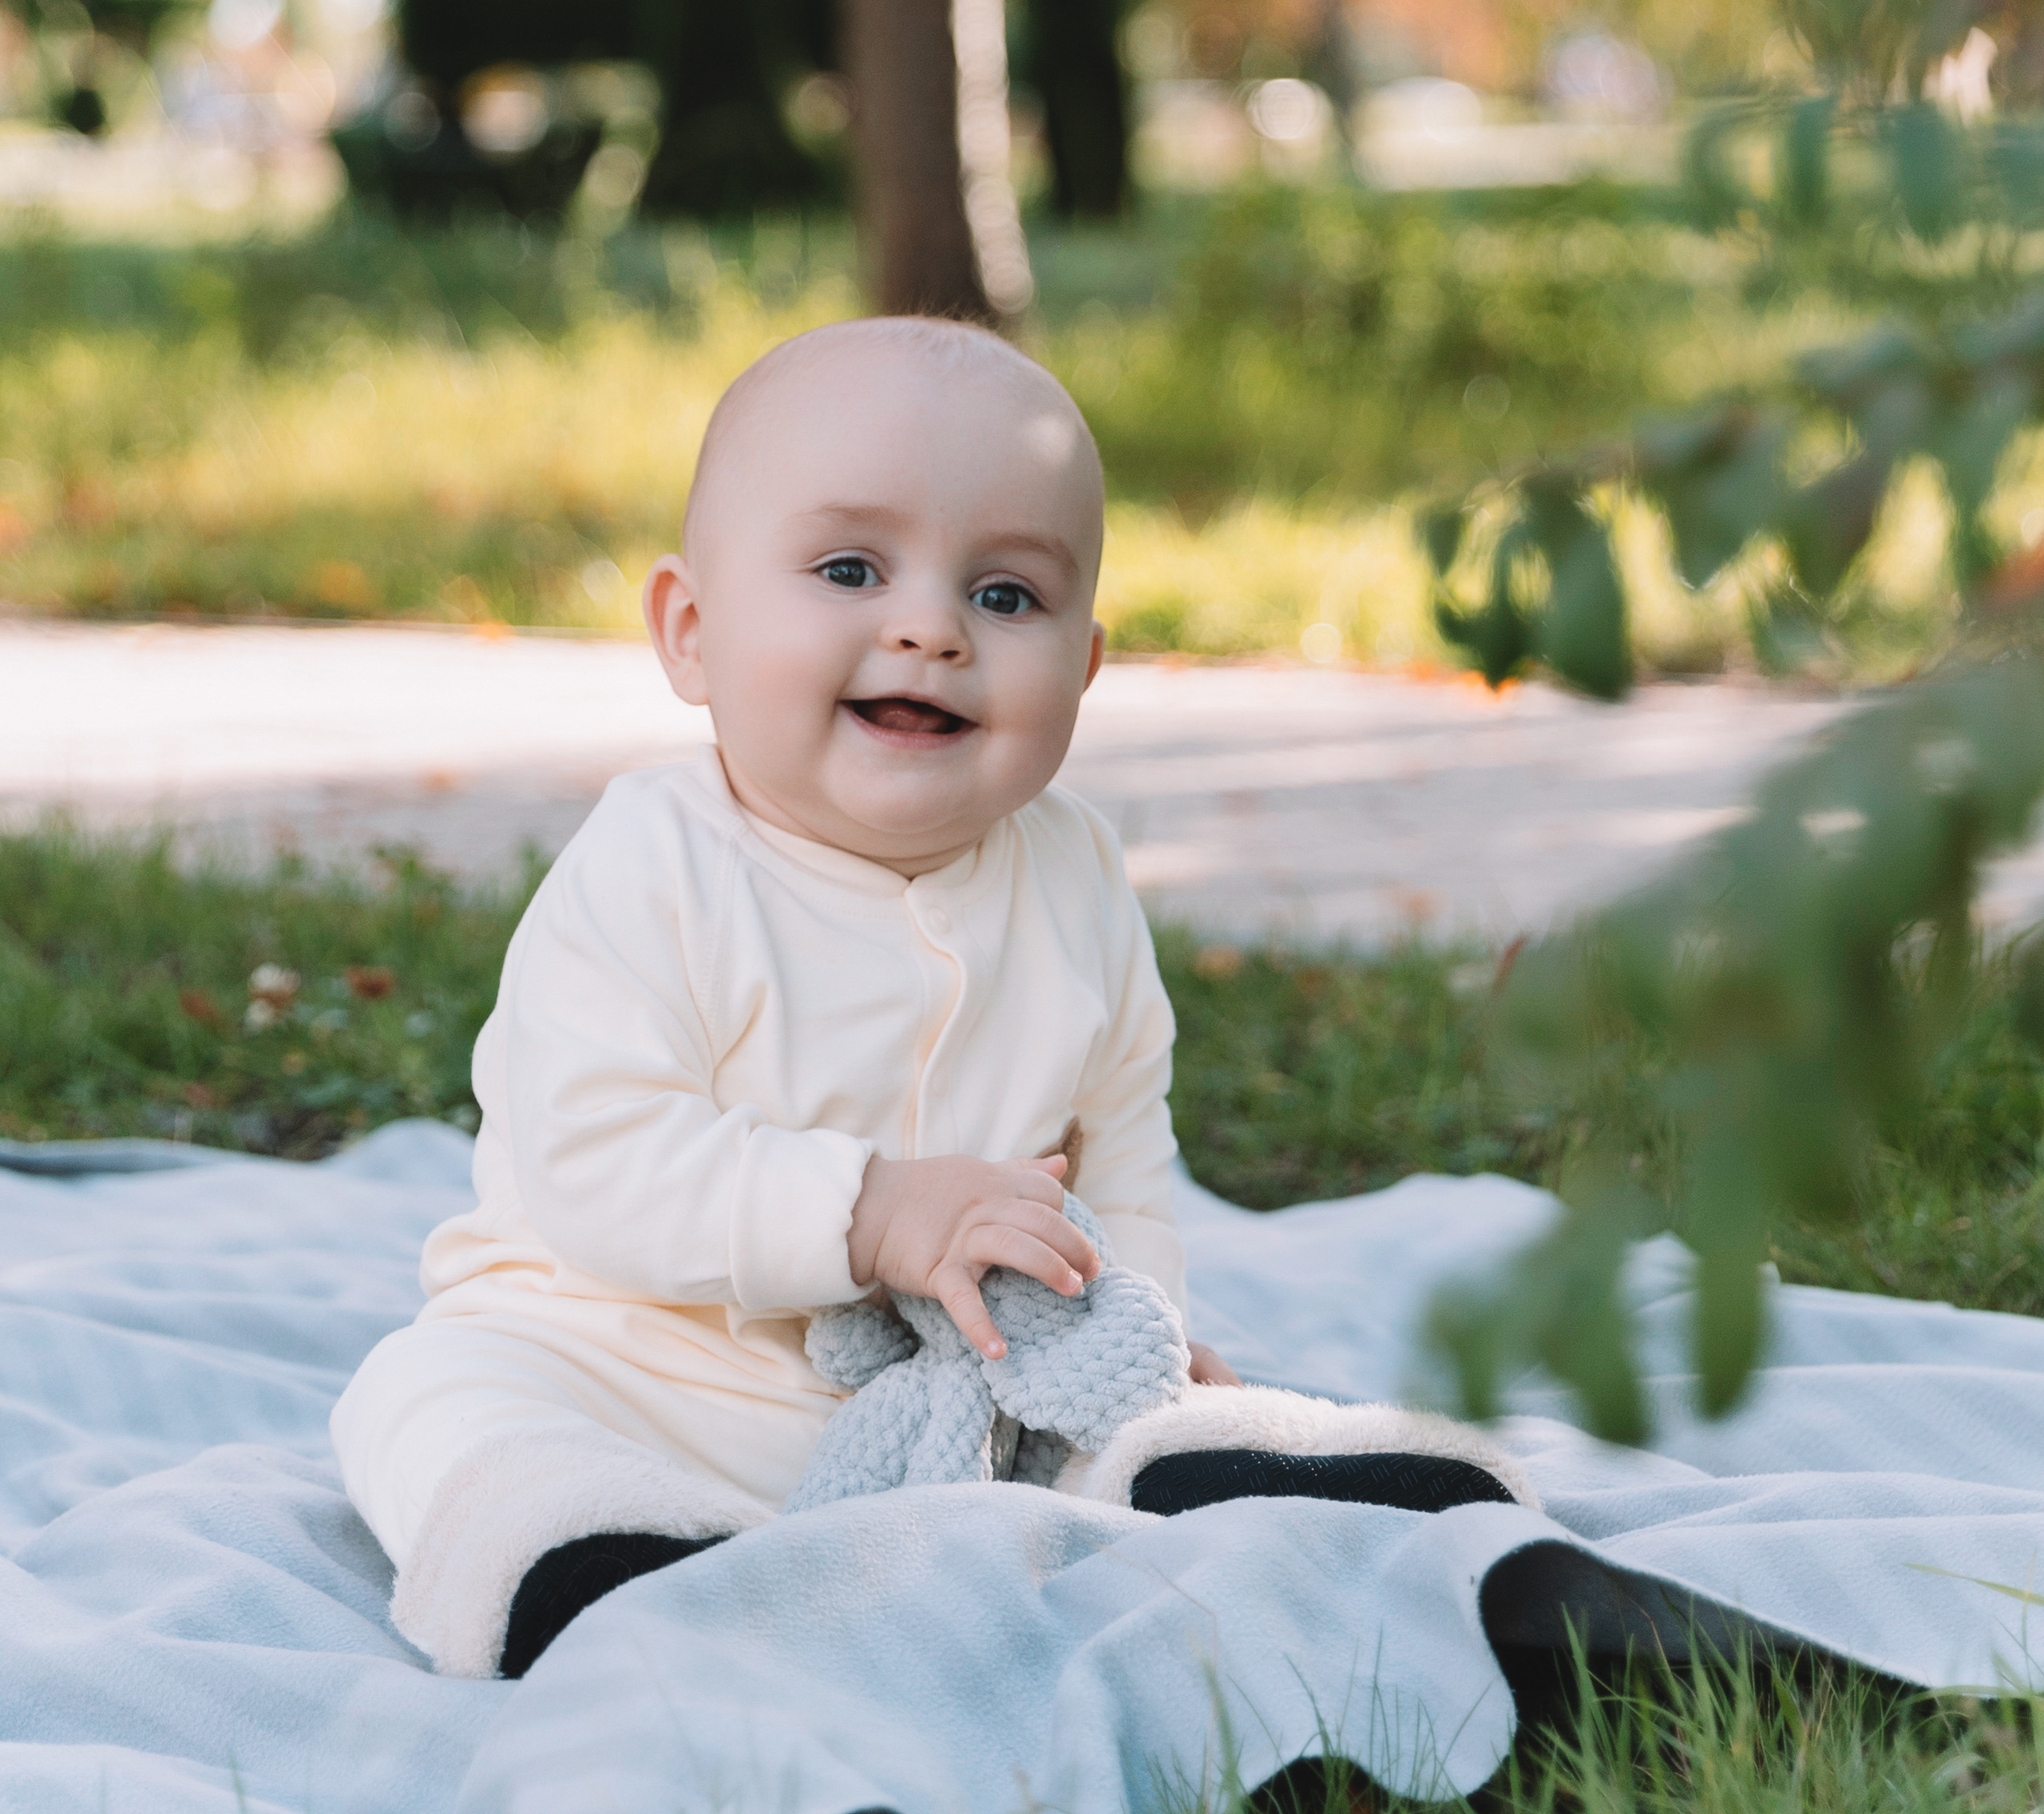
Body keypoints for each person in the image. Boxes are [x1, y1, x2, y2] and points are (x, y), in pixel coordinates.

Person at [333, 317, 1526, 1682]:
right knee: (428, 1393)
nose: (931, 629)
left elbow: (1120, 1159)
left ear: (1084, 667)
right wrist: (872, 1213)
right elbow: (593, 1156)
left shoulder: (1073, 877)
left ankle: (1197, 1481)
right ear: (692, 634)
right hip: (635, 1375)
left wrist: (1132, 1332)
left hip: (960, 1397)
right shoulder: (654, 864)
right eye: (850, 570)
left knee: (1130, 1407)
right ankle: (584, 1556)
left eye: (1007, 596)